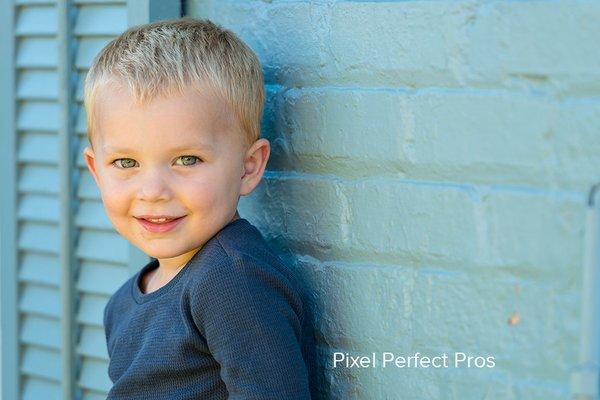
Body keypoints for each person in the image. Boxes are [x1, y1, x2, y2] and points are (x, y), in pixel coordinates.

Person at [82, 17, 312, 399]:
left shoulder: (232, 282)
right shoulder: (123, 303)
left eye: (187, 159)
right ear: (96, 170)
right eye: (126, 163)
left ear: (248, 167)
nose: (152, 191)